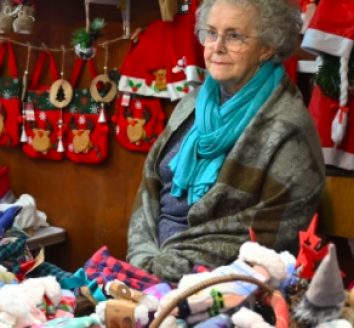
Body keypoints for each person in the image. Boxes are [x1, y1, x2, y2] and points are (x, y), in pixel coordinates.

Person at [127, 0, 325, 282]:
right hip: (149, 270)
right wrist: (142, 258)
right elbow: (148, 191)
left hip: (225, 290)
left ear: (267, 48)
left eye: (234, 36)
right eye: (211, 32)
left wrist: (170, 268)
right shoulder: (191, 104)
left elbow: (273, 234)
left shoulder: (289, 128)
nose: (216, 46)